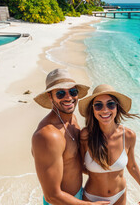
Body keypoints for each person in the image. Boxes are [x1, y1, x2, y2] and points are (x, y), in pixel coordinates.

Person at [32, 68, 110, 205]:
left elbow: (74, 162)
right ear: (50, 96)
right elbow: (52, 196)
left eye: (73, 92)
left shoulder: (72, 119)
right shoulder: (48, 135)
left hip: (77, 196)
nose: (68, 97)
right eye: (61, 93)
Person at [78, 84, 140, 205]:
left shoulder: (129, 135)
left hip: (119, 196)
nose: (105, 110)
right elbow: (77, 166)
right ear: (93, 110)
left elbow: (132, 166)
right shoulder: (86, 136)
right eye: (98, 105)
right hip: (92, 199)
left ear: (117, 107)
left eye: (110, 104)